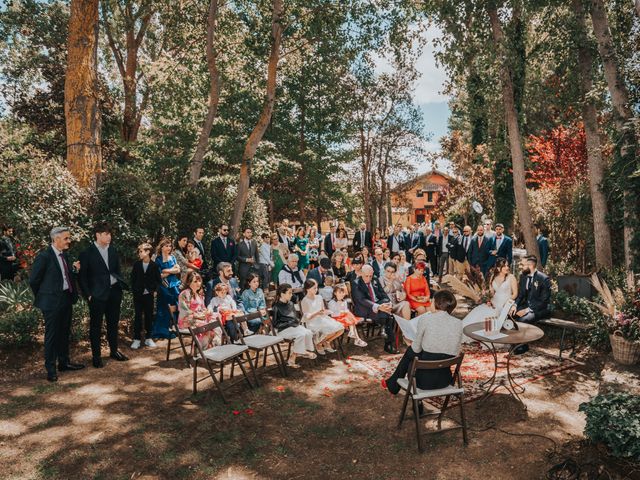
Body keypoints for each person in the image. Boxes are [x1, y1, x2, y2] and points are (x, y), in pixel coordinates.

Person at [29, 226, 84, 382]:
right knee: (52, 336)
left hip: (66, 299)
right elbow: (34, 281)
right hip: (51, 303)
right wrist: (45, 296)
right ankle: (51, 369)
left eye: (69, 238)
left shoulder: (64, 255)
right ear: (56, 239)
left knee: (64, 332)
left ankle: (64, 363)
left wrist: (74, 271)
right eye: (66, 238)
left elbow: (64, 277)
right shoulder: (44, 257)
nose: (69, 241)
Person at [382, 290, 462, 394]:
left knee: (411, 351)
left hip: (421, 382)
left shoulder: (426, 319)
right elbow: (455, 351)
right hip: (445, 380)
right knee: (419, 352)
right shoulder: (459, 323)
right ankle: (392, 384)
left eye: (432, 301)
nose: (430, 303)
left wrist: (409, 341)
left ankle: (393, 384)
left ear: (437, 303)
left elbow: (416, 349)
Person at [79, 222, 129, 368]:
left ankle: (114, 351)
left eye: (110, 234)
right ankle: (96, 356)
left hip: (114, 292)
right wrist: (88, 295)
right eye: (106, 234)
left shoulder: (113, 251)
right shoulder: (86, 253)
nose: (109, 236)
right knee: (96, 326)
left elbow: (117, 270)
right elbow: (82, 277)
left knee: (113, 324)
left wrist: (119, 286)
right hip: (96, 295)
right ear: (98, 235)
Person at [462, 257, 518, 342]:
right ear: (499, 268)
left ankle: (488, 337)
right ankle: (471, 334)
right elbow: (492, 293)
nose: (507, 268)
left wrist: (508, 302)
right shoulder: (493, 277)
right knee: (479, 312)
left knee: (491, 315)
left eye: (507, 265)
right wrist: (487, 299)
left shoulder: (511, 277)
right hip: (493, 302)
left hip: (505, 304)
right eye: (505, 266)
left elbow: (515, 294)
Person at [352, 264, 398, 353]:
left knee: (385, 303)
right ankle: (388, 343)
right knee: (389, 316)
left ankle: (384, 328)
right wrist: (378, 307)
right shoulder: (356, 283)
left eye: (370, 276)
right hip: (365, 309)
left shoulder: (375, 279)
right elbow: (362, 300)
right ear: (361, 273)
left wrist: (388, 303)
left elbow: (383, 293)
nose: (369, 278)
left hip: (379, 307)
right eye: (366, 276)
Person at [510, 255, 552, 354]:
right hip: (527, 306)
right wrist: (515, 305)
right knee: (510, 315)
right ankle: (516, 342)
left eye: (523, 265)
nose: (521, 267)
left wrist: (526, 310)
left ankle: (522, 346)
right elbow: (520, 295)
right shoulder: (523, 276)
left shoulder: (544, 279)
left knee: (523, 320)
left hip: (541, 308)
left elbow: (544, 301)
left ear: (530, 265)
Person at [271, 283, 317, 368]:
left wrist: (296, 320)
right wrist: (289, 323)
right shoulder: (276, 306)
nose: (291, 295)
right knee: (301, 335)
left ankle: (302, 351)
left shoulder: (291, 304)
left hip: (293, 327)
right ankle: (296, 356)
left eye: (292, 292)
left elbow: (294, 317)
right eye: (289, 293)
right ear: (282, 294)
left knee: (308, 332)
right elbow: (275, 324)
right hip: (282, 330)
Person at [130, 242, 161, 349]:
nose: (139, 253)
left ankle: (148, 338)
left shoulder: (154, 265)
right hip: (138, 295)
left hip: (149, 295)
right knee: (138, 316)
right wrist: (134, 290)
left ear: (148, 252)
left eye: (141, 251)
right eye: (139, 251)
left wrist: (155, 291)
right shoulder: (137, 265)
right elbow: (133, 279)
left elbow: (158, 280)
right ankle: (136, 339)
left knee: (149, 316)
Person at [300, 279, 344, 355]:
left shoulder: (319, 297)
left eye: (316, 287)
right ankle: (318, 343)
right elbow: (307, 317)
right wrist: (317, 313)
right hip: (312, 322)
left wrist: (327, 312)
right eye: (314, 288)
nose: (316, 289)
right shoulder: (305, 300)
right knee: (330, 330)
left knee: (341, 329)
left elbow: (322, 311)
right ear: (307, 289)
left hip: (322, 318)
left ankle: (326, 341)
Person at [178, 271, 221, 347]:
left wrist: (207, 312)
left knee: (216, 318)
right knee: (207, 326)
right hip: (187, 320)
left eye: (199, 281)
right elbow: (184, 311)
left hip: (199, 318)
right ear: (188, 282)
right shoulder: (185, 294)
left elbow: (203, 308)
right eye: (195, 281)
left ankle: (214, 344)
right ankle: (202, 349)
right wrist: (197, 316)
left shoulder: (199, 294)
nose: (198, 283)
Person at [150, 238, 181, 340]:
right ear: (162, 247)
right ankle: (161, 331)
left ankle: (174, 328)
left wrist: (166, 270)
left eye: (170, 246)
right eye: (166, 246)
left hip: (174, 285)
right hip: (163, 287)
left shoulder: (173, 257)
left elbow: (178, 270)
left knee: (175, 307)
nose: (169, 248)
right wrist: (171, 271)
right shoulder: (157, 259)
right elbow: (158, 275)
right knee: (163, 308)